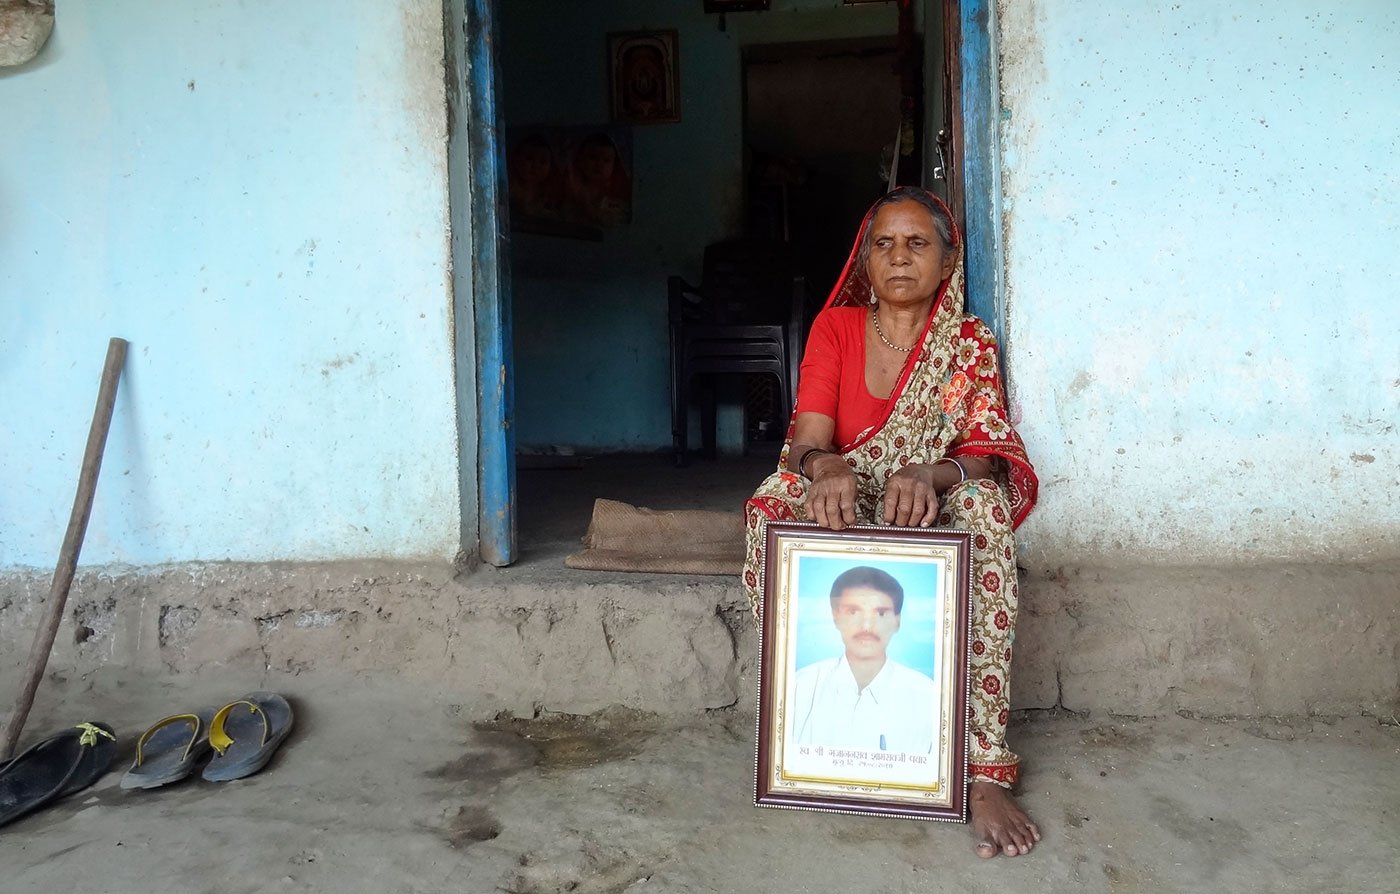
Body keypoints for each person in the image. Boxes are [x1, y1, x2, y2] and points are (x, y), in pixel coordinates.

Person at [742, 186, 1041, 859]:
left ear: (945, 260)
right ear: (865, 259)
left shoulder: (965, 342)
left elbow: (983, 458)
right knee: (771, 505)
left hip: (927, 493)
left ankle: (980, 766)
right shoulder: (836, 329)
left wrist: (931, 475)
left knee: (982, 510)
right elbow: (806, 440)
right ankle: (815, 738)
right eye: (884, 244)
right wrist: (827, 469)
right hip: (848, 487)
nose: (899, 257)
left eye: (917, 243)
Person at [791, 566, 938, 753]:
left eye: (881, 613)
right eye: (853, 612)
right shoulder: (799, 688)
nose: (867, 626)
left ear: (897, 621)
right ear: (835, 617)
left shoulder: (927, 697)